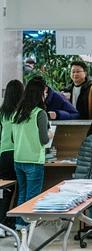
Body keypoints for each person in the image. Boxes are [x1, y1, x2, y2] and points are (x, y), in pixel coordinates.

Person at [12, 78, 54, 230]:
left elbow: (12, 138)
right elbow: (43, 139)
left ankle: (19, 225)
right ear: (39, 94)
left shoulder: (17, 113)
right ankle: (26, 227)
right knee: (32, 196)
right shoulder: (39, 113)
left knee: (22, 193)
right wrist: (49, 135)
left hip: (18, 159)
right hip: (34, 160)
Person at [0, 80, 24, 231]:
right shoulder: (22, 112)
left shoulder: (2, 112)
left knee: (5, 191)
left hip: (4, 154)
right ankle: (15, 223)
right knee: (21, 189)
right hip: (20, 153)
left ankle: (2, 225)